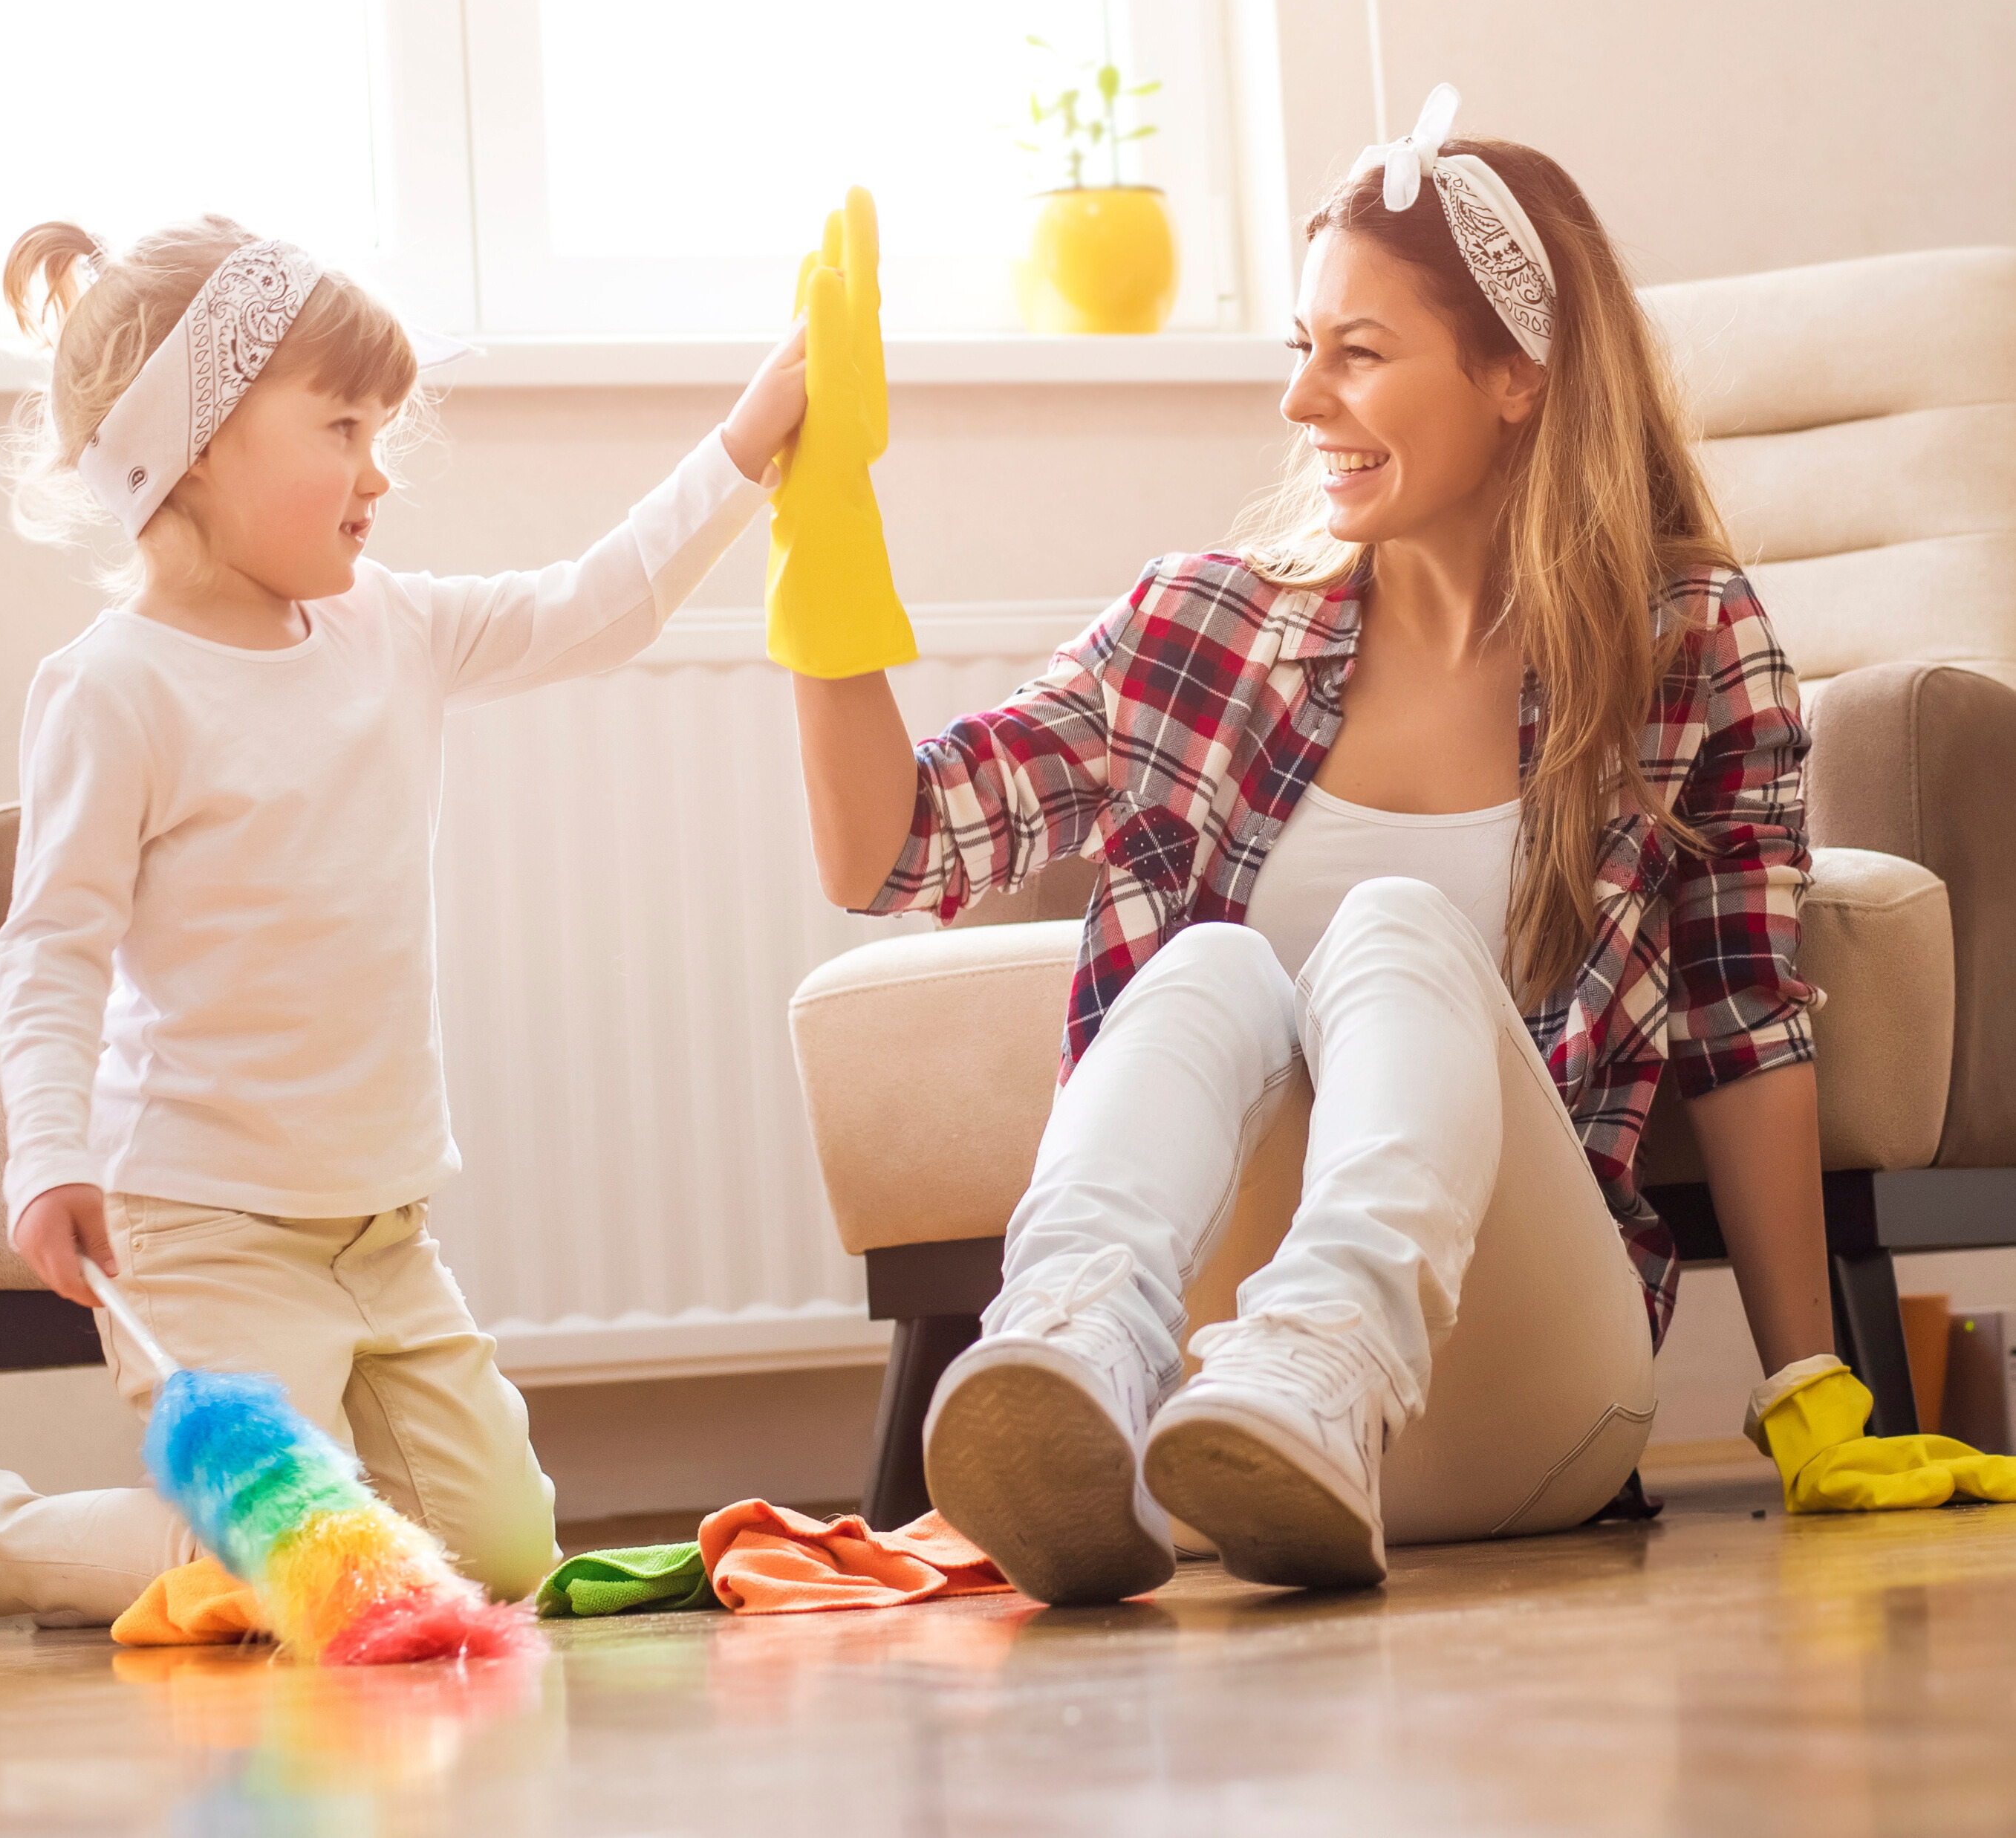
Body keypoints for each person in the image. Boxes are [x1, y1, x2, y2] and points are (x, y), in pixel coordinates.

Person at [775, 97, 2015, 1608]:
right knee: (1214, 968)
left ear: (1514, 374)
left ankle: (1331, 1349)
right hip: (1198, 1430)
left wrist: (1813, 1384)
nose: (1303, 401)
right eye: (1299, 348)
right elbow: (890, 852)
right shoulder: (1198, 630)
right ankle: (1069, 1345)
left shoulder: (1683, 643)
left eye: (1357, 352)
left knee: (1389, 931)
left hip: (1513, 1393)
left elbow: (1744, 1018)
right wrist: (826, 536)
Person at [0, 215, 804, 1642]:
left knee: (499, 1551)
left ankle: (295, 1515)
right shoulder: (116, 687)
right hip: (200, 1225)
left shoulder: (393, 629)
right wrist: (50, 1154)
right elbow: (52, 948)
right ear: (191, 446)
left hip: (381, 1223)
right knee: (278, 1564)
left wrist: (751, 440)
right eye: (346, 426)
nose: (380, 472)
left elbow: (595, 605)